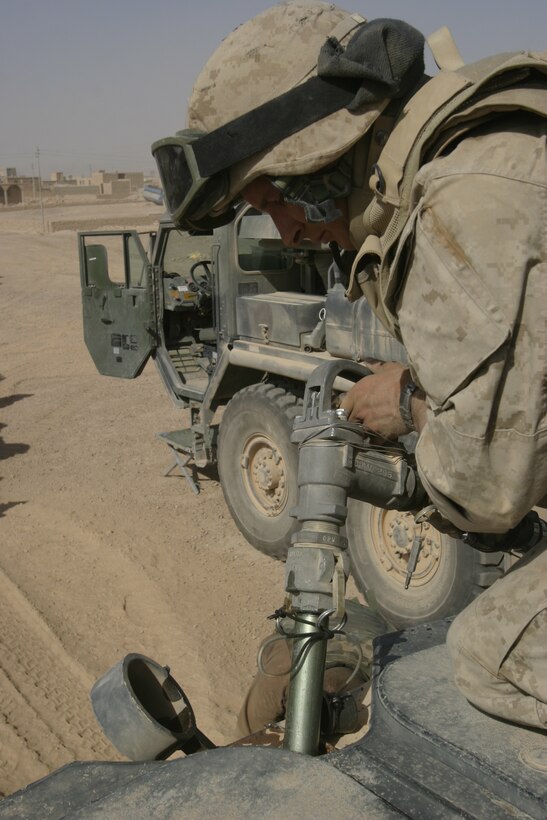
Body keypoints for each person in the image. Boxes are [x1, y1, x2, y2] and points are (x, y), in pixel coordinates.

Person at [152, 3, 547, 730]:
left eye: (275, 199)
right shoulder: (473, 153)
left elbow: (488, 488)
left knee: (491, 654)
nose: (287, 231)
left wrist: (409, 403)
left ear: (321, 153)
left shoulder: (468, 196)